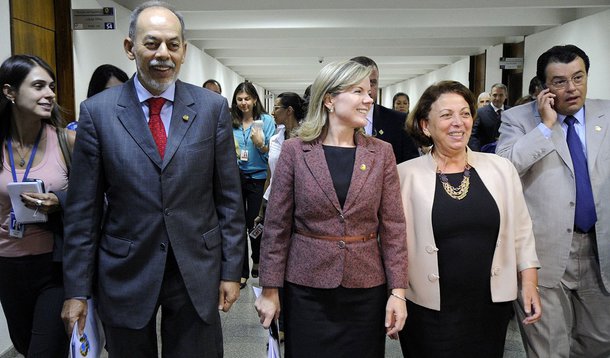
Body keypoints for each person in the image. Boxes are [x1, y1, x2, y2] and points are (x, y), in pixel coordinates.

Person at [60, 2, 246, 357]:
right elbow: (83, 212)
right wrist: (77, 291)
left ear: (184, 51)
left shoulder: (211, 109)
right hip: (126, 268)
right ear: (130, 47)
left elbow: (228, 200)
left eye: (173, 45)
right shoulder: (98, 113)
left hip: (195, 265)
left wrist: (230, 271)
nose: (164, 54)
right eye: (152, 43)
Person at [255, 60, 408, 357]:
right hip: (306, 288)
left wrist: (398, 292)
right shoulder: (295, 151)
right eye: (357, 91)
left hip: (366, 288)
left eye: (369, 91)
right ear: (329, 99)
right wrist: (270, 290)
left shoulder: (381, 153)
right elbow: (276, 226)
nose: (369, 99)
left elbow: (394, 228)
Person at [397, 80, 541, 357]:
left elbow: (522, 231)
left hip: (489, 305)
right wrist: (396, 295)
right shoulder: (404, 175)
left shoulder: (500, 168)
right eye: (447, 115)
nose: (458, 123)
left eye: (464, 114)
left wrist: (529, 283)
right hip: (428, 308)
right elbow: (394, 244)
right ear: (426, 126)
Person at [496, 44, 610, 358]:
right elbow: (505, 168)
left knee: (599, 343)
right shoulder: (518, 119)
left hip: (600, 251)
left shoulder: (607, 114)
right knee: (549, 349)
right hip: (543, 254)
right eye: (560, 82)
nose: (572, 88)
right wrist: (546, 127)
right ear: (544, 88)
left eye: (579, 77)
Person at [0, 54, 75, 357]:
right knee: (24, 345)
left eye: (52, 86)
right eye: (39, 86)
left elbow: (96, 198)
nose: (51, 94)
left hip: (54, 265)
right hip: (7, 265)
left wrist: (61, 201)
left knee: (44, 351)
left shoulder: (68, 142)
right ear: (10, 92)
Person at [230, 81, 275, 288]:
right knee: (237, 225)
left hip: (258, 178)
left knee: (254, 224)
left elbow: (274, 153)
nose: (243, 103)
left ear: (255, 99)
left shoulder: (265, 121)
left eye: (247, 99)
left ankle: (257, 258)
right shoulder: (231, 121)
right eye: (240, 99)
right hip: (235, 177)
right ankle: (241, 271)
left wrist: (261, 145)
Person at [350, 56, 419, 163]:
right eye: (359, 84)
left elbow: (411, 163)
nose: (368, 90)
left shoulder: (399, 121)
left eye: (372, 83)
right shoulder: (334, 122)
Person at [67, 64, 129, 131]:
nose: (116, 97)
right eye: (109, 92)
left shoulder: (134, 126)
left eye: (121, 91)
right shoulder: (74, 131)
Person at [469, 83, 510, 152]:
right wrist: (477, 153)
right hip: (485, 153)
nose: (497, 98)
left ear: (506, 96)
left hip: (506, 153)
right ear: (490, 96)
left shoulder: (510, 112)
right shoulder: (480, 113)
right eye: (495, 95)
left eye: (501, 95)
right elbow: (473, 135)